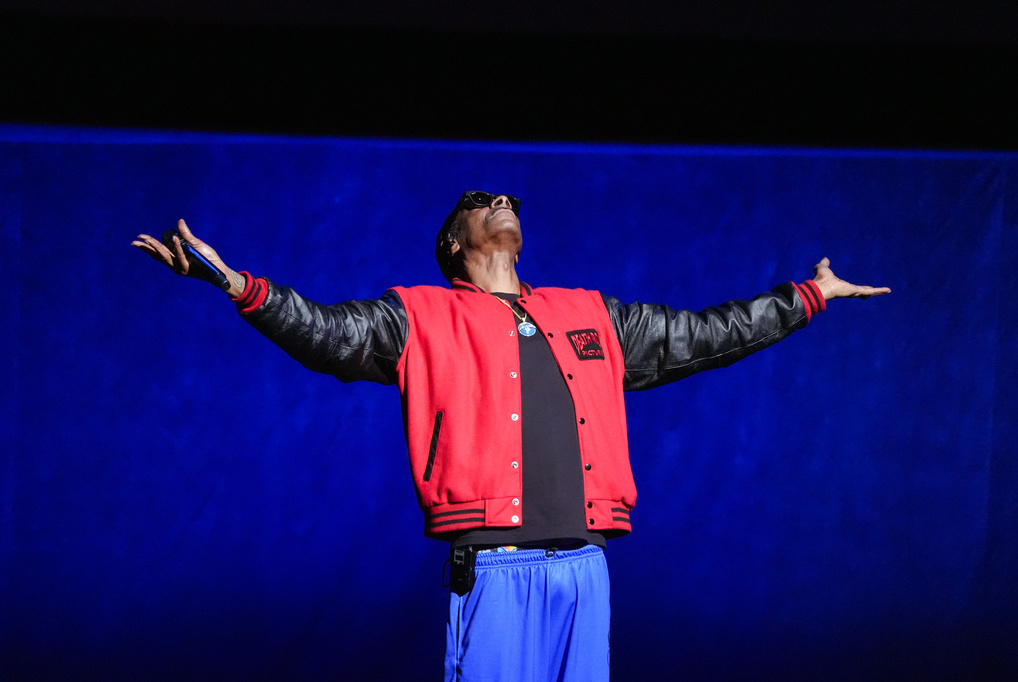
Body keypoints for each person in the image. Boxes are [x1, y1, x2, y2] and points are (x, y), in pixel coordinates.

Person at [133, 190, 890, 681]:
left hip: (585, 571)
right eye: (480, 202)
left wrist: (808, 297)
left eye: (507, 200)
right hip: (495, 569)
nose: (501, 201)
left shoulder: (591, 312)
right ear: (454, 241)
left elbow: (707, 333)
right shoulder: (419, 317)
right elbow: (325, 333)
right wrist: (237, 285)